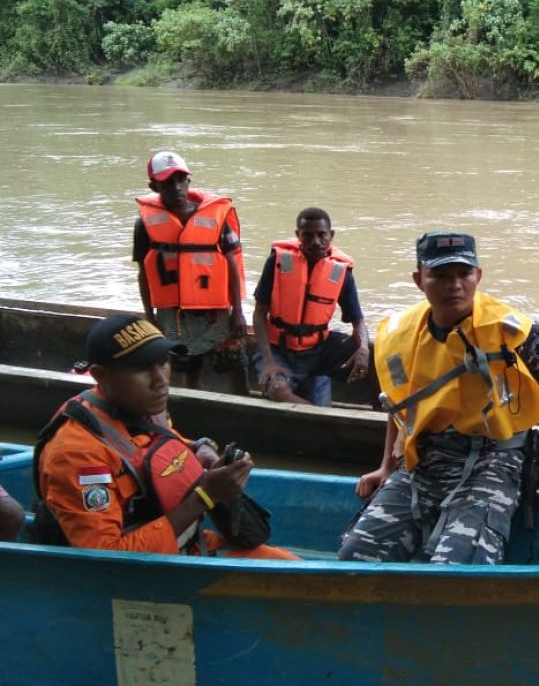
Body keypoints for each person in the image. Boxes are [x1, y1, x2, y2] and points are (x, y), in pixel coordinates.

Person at [339, 231, 539, 565]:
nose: (454, 285)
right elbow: (398, 404)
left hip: (495, 460)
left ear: (478, 276)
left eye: (464, 274)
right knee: (355, 558)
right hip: (426, 461)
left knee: (459, 568)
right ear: (418, 280)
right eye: (439, 275)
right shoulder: (400, 333)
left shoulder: (512, 330)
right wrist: (387, 466)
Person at [31, 314, 296, 559]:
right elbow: (106, 559)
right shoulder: (77, 453)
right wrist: (205, 496)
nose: (160, 380)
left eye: (163, 363)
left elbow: (155, 447)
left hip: (188, 544)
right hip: (142, 573)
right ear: (101, 375)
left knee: (290, 565)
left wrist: (200, 449)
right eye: (140, 369)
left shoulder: (142, 407)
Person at [134, 151, 248, 394]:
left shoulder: (216, 217)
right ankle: (194, 415)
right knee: (189, 375)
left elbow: (232, 266)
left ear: (188, 181)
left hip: (216, 313)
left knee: (236, 369)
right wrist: (149, 315)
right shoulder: (144, 224)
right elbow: (144, 272)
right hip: (174, 317)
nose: (176, 187)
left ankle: (244, 412)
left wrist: (237, 311)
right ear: (154, 186)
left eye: (180, 180)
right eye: (167, 182)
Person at [251, 207, 370, 406]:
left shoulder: (341, 271)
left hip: (319, 349)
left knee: (380, 358)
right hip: (279, 349)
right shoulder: (277, 262)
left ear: (330, 236)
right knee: (277, 389)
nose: (315, 242)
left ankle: (383, 409)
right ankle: (318, 413)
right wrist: (269, 362)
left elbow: (358, 321)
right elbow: (259, 314)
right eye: (308, 235)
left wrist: (364, 349)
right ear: (298, 235)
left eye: (321, 235)